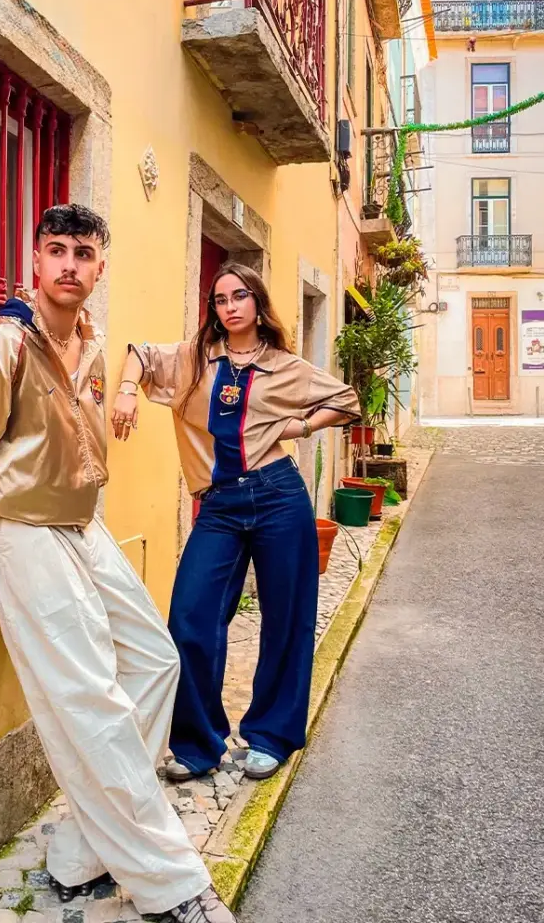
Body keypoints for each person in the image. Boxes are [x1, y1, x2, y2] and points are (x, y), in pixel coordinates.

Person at [0, 204, 238, 923]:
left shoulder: (90, 341)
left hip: (83, 524)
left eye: (83, 253)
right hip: (25, 531)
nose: (69, 265)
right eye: (56, 250)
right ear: (35, 259)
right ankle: (171, 886)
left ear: (100, 265)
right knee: (89, 693)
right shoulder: (5, 342)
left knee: (155, 660)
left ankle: (79, 852)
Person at [112, 262, 360, 783]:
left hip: (277, 496)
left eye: (239, 296)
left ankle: (271, 736)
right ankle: (200, 744)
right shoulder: (194, 361)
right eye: (220, 299)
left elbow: (345, 401)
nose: (229, 306)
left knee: (287, 619)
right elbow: (138, 354)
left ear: (257, 303)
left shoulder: (285, 366)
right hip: (219, 506)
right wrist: (128, 391)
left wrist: (301, 426)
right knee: (190, 617)